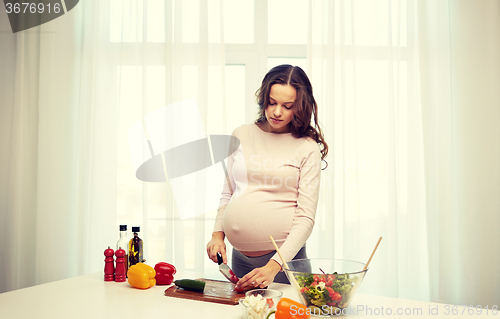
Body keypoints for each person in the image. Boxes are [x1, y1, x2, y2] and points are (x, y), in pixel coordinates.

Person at [206, 64, 328, 291]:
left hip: (285, 262)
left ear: (300, 107)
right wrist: (217, 234)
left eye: (287, 106)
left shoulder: (307, 148)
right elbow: (228, 192)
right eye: (272, 102)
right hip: (240, 259)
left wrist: (274, 266)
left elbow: (305, 219)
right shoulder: (241, 134)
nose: (277, 112)